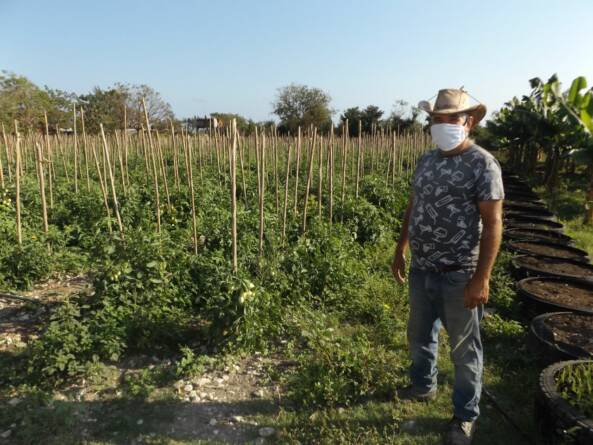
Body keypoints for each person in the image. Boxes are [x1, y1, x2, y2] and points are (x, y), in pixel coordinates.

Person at [391, 88, 504, 445]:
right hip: (423, 267)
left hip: (460, 272)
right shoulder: (427, 160)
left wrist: (481, 277)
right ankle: (423, 386)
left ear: (468, 122)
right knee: (419, 333)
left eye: (450, 118)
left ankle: (464, 416)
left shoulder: (482, 164)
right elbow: (415, 205)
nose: (441, 125)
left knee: (464, 349)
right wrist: (400, 248)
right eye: (436, 119)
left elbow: (494, 222)